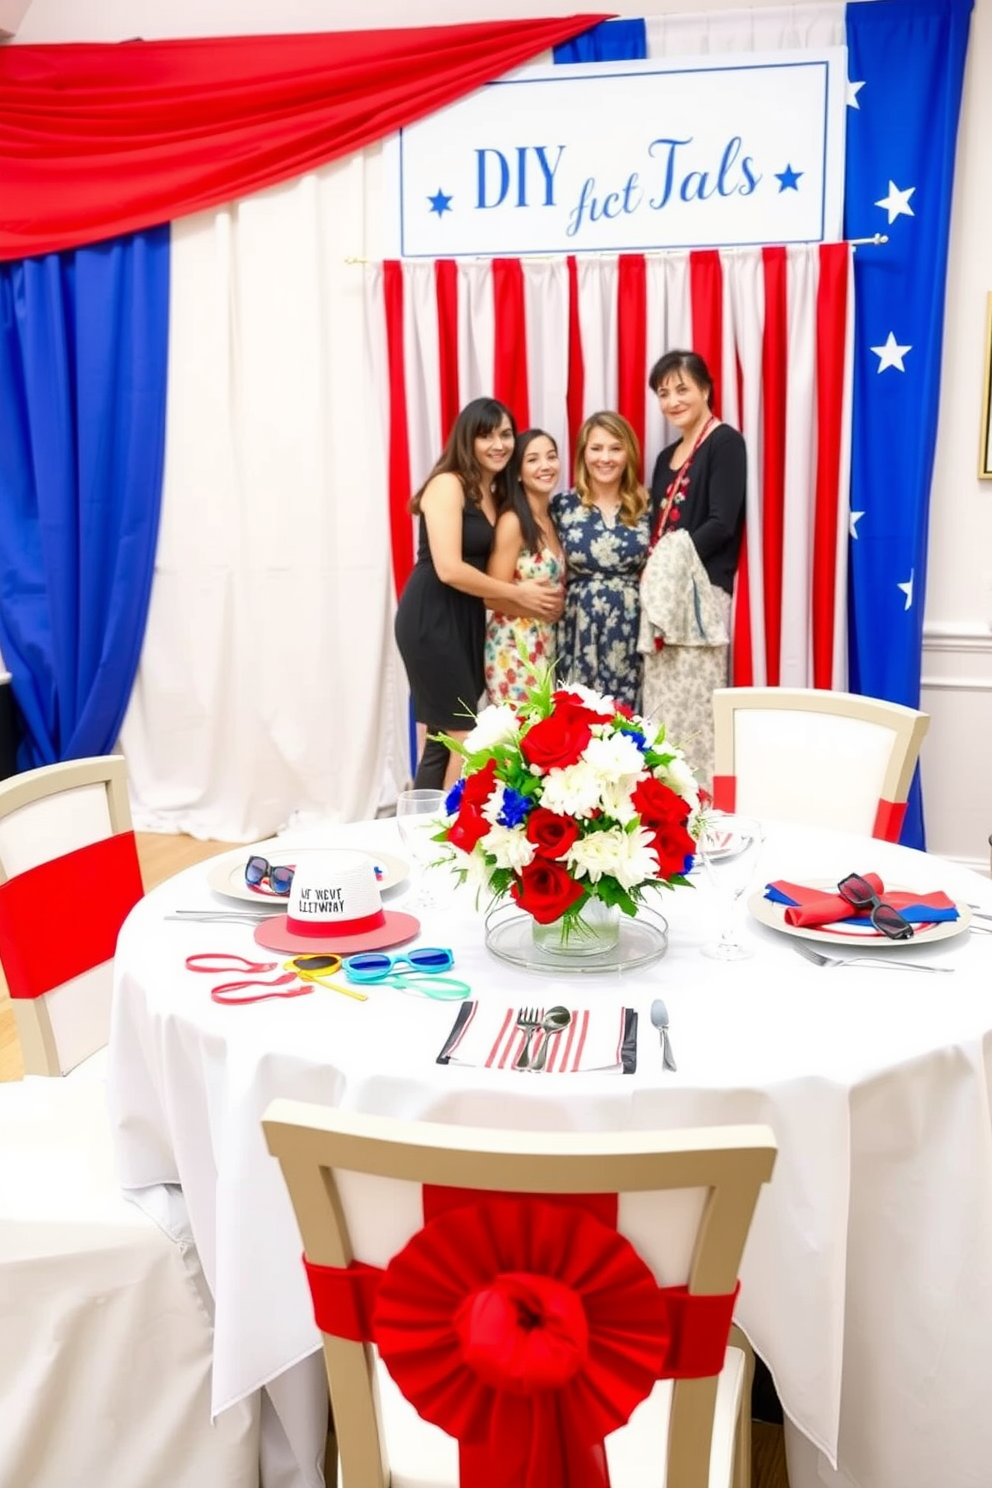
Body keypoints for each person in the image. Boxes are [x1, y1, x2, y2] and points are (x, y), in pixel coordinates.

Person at [394, 397, 562, 790]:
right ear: (467, 439)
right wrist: (517, 593)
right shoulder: (447, 484)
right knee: (464, 737)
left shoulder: (492, 492)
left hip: (466, 618)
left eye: (505, 434)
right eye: (487, 435)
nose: (499, 444)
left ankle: (419, 829)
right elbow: (449, 568)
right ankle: (447, 832)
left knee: (442, 738)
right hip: (431, 617)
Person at [640, 349, 747, 786]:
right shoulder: (666, 454)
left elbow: (722, 522)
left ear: (705, 389)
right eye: (663, 393)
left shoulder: (724, 443)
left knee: (697, 710)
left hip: (700, 595)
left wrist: (666, 560)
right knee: (661, 711)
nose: (672, 401)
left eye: (682, 389)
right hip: (664, 598)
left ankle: (700, 810)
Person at [550, 411, 652, 711]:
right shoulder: (562, 505)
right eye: (596, 448)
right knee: (579, 721)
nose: (605, 458)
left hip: (631, 628)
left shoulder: (646, 504)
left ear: (628, 453)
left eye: (615, 448)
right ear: (583, 453)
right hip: (577, 626)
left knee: (628, 721)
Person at [484, 429, 565, 705]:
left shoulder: (551, 517)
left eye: (551, 457)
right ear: (518, 472)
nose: (545, 465)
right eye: (532, 459)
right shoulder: (513, 521)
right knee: (517, 740)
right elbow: (491, 596)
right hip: (514, 648)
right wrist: (537, 606)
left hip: (546, 644)